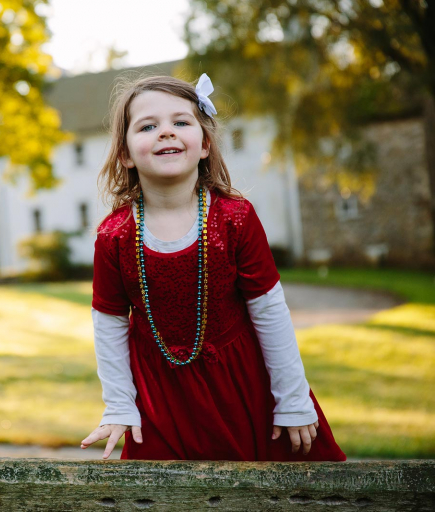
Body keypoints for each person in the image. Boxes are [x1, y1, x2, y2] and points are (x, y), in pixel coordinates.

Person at [79, 73, 346, 461]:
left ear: (204, 144)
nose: (166, 132)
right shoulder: (114, 235)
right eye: (148, 126)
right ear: (125, 153)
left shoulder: (235, 219)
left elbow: (270, 312)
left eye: (181, 122)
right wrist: (120, 405)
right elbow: (109, 324)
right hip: (162, 400)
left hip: (244, 386)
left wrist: (291, 399)